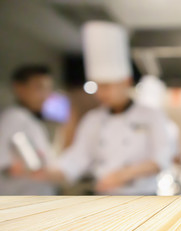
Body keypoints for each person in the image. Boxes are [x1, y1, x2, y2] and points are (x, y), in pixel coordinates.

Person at [35, 21, 170, 195]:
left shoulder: (152, 115)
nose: (100, 93)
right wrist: (49, 172)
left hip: (143, 196)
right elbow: (77, 156)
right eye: (97, 86)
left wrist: (123, 175)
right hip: (105, 196)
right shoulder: (93, 119)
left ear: (126, 82)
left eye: (106, 86)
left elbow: (161, 159)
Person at [0, 65, 56, 195]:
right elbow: (4, 162)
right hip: (20, 199)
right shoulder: (14, 117)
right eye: (39, 87)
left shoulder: (32, 120)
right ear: (19, 88)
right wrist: (20, 168)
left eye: (48, 88)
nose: (45, 95)